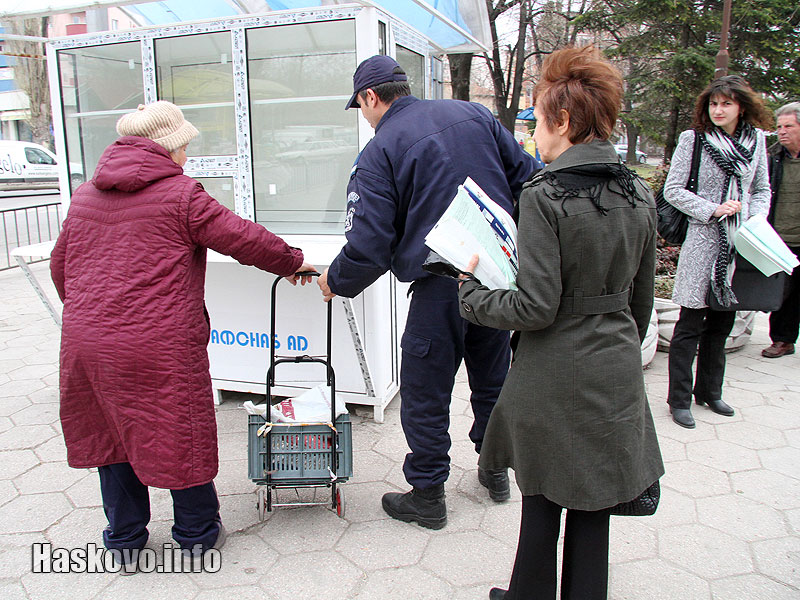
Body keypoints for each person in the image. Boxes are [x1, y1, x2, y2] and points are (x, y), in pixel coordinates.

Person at [50, 101, 315, 570]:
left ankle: (126, 538)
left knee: (113, 434)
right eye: (184, 145)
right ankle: (196, 533)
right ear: (167, 147)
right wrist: (293, 261)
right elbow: (243, 238)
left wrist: (90, 316)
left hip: (87, 341)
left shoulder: (86, 194)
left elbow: (60, 266)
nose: (187, 154)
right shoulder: (181, 194)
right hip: (159, 342)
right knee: (178, 429)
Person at [456, 46, 663, 600]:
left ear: (564, 122)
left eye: (537, 122)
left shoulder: (544, 196)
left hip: (552, 371)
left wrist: (472, 294)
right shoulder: (640, 193)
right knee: (597, 504)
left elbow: (534, 307)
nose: (532, 136)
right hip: (615, 367)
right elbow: (640, 306)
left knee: (542, 502)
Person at [316, 55, 536, 528]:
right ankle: (496, 470)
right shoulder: (474, 114)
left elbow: (370, 245)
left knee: (425, 391)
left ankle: (428, 496)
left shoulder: (380, 151)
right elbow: (529, 178)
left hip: (440, 290)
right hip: (496, 281)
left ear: (370, 97)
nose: (365, 116)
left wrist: (336, 280)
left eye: (361, 106)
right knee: (493, 378)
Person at [664, 75, 772, 429]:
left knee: (722, 323)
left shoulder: (755, 141)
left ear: (741, 106)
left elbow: (761, 188)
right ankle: (679, 399)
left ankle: (710, 391)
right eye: (713, 104)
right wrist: (712, 208)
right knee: (689, 325)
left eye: (726, 103)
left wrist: (752, 216)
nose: (718, 110)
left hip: (738, 243)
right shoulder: (693, 139)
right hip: (702, 240)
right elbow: (673, 189)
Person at [762, 102, 800, 359]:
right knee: (783, 292)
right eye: (779, 127)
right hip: (781, 238)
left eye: (789, 126)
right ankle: (783, 340)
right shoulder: (772, 158)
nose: (782, 131)